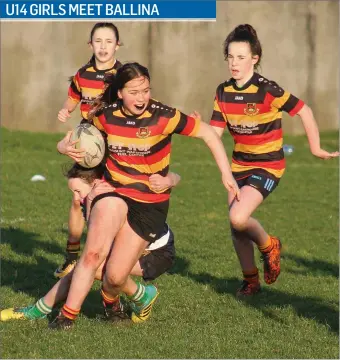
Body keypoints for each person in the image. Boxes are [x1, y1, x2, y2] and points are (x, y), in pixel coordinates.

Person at [50, 62, 240, 330]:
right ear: (119, 93)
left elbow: (208, 133)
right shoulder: (105, 115)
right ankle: (66, 317)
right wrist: (62, 147)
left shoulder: (165, 116)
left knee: (115, 276)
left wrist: (226, 174)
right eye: (134, 91)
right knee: (92, 254)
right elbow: (77, 136)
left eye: (146, 90)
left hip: (150, 205)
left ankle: (114, 301)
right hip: (114, 193)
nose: (141, 98)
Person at [208, 24, 339, 296]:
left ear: (254, 58)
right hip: (238, 166)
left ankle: (269, 246)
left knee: (238, 216)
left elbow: (303, 110)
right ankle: (251, 281)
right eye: (230, 57)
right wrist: (200, 128)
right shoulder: (222, 92)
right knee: (237, 229)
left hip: (268, 165)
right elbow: (216, 134)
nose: (234, 63)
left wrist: (315, 147)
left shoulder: (267, 90)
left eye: (241, 57)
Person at [0, 164, 176, 323]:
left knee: (88, 270)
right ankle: (139, 297)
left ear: (97, 183)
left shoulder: (111, 199)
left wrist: (169, 179)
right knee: (87, 269)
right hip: (128, 248)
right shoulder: (91, 197)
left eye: (77, 191)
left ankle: (38, 311)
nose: (76, 198)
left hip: (157, 253)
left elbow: (170, 177)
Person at [54, 22, 123, 280]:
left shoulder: (122, 75)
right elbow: (74, 95)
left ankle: (121, 252)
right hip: (89, 144)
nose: (103, 46)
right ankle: (72, 257)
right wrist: (66, 110)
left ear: (117, 45)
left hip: (116, 145)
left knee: (112, 202)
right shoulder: (82, 74)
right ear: (90, 44)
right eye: (98, 41)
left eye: (108, 41)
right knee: (76, 195)